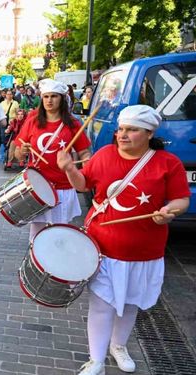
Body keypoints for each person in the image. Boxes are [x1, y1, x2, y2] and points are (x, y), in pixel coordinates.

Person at [56, 105, 190, 375]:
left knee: (130, 303)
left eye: (132, 130)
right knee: (102, 304)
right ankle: (96, 360)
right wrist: (70, 169)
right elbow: (83, 185)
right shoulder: (104, 154)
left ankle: (119, 345)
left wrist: (169, 212)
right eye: (121, 129)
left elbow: (181, 199)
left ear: (149, 133)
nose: (122, 134)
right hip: (103, 245)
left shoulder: (168, 163)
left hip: (145, 249)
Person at [14, 79, 91, 241]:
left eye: (54, 96)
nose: (49, 100)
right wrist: (23, 150)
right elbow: (18, 155)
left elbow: (85, 154)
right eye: (46, 96)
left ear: (62, 98)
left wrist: (84, 168)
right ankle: (37, 265)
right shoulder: (33, 121)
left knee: (59, 235)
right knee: (36, 235)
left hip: (62, 187)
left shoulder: (72, 123)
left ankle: (58, 266)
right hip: (37, 187)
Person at [0, 90, 20, 165]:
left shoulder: (15, 103)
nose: (9, 96)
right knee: (3, 139)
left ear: (12, 95)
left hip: (12, 124)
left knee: (11, 140)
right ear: (5, 95)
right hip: (4, 123)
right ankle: (6, 155)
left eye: (10, 94)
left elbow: (18, 114)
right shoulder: (2, 103)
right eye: (7, 94)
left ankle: (10, 157)